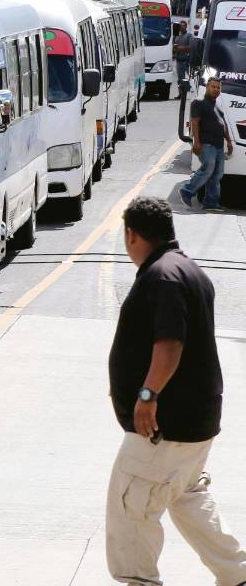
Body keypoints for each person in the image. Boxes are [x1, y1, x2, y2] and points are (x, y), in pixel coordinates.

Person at [106, 197, 246, 586]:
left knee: (131, 507)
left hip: (164, 426)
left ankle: (140, 581)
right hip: (196, 423)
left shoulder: (163, 277)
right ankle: (237, 575)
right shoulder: (189, 271)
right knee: (187, 496)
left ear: (131, 235)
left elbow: (170, 343)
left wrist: (147, 396)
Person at [180, 76, 234, 210]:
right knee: (208, 168)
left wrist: (229, 142)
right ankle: (187, 190)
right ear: (207, 87)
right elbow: (195, 122)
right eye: (213, 87)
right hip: (206, 144)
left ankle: (211, 202)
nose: (216, 89)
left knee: (217, 175)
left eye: (218, 88)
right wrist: (196, 142)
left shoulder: (218, 106)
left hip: (219, 146)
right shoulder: (198, 102)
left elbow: (223, 125)